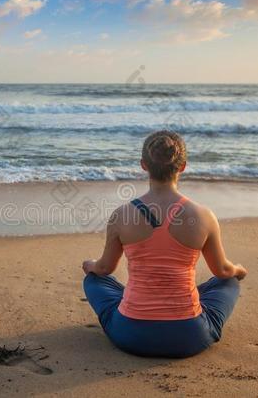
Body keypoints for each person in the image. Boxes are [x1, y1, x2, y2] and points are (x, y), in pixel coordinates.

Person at [82, 130, 248, 358]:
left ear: (143, 165)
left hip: (130, 334)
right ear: (182, 167)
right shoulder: (203, 215)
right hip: (189, 337)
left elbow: (104, 269)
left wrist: (89, 265)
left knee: (95, 281)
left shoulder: (122, 215)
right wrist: (238, 270)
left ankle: (136, 303)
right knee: (229, 283)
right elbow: (222, 270)